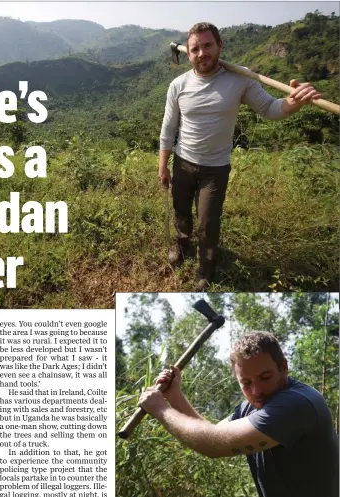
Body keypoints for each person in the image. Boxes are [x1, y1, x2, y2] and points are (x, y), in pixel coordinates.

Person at [159, 22, 322, 290]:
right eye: (195, 49)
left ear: (220, 45)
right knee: (181, 211)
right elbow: (168, 128)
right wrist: (163, 166)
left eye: (208, 46)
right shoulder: (178, 85)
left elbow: (270, 108)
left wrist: (293, 103)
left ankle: (206, 263)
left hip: (216, 168)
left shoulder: (240, 79)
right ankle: (182, 242)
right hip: (183, 161)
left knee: (208, 222)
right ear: (188, 54)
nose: (202, 54)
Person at [138, 331, 339, 497]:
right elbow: (214, 432)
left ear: (283, 368)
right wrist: (174, 395)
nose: (257, 390)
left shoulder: (295, 404)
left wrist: (160, 410)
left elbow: (212, 445)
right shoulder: (253, 405)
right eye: (246, 382)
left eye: (265, 377)